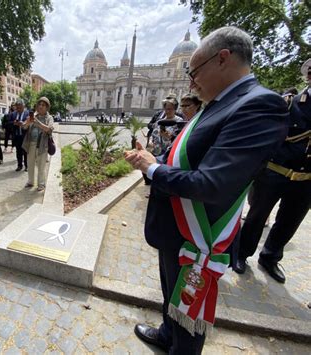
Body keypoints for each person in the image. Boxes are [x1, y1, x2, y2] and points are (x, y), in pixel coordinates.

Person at [125, 26, 288, 354]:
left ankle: (180, 347)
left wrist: (152, 168)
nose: (190, 81)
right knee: (171, 291)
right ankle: (168, 334)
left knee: (189, 308)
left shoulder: (258, 105)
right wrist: (153, 159)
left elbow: (211, 183)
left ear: (223, 59)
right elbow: (186, 155)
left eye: (194, 70)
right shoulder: (219, 102)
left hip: (200, 232)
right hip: (176, 227)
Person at [233, 58, 311, 283]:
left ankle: (270, 257)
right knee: (256, 217)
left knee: (289, 222)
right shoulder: (288, 103)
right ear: (308, 76)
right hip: (275, 171)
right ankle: (241, 254)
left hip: (306, 178)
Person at [22, 97, 54, 192]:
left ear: (47, 107)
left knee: (41, 165)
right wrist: (27, 123)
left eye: (43, 105)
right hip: (31, 144)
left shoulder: (49, 118)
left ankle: (41, 184)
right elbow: (24, 127)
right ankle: (30, 181)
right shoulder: (33, 116)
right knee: (30, 164)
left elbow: (49, 129)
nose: (40, 106)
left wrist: (38, 123)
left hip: (42, 145)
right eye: (39, 104)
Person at [11, 99, 29, 171]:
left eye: (20, 107)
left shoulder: (27, 113)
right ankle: (19, 165)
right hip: (17, 136)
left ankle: (26, 166)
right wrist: (14, 123)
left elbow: (30, 123)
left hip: (25, 136)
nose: (18, 109)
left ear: (23, 106)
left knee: (25, 151)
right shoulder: (14, 114)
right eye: (17, 107)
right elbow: (8, 123)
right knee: (18, 152)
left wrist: (24, 123)